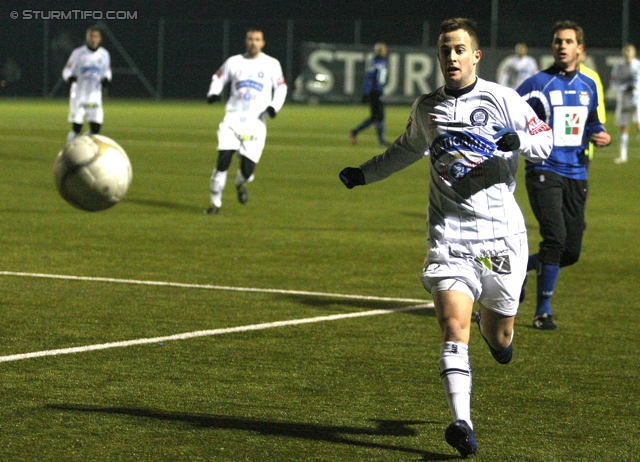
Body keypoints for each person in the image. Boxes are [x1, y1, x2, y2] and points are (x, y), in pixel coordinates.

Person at [339, 18, 552, 458]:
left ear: (475, 56)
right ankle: (462, 422)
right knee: (452, 326)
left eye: (459, 50)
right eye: (444, 51)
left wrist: (518, 142)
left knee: (500, 335)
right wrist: (365, 173)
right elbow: (404, 150)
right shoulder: (427, 108)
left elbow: (544, 140)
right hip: (449, 235)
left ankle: (497, 336)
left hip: (502, 238)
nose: (451, 58)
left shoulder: (503, 99)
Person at [517, 20, 611, 330]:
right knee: (554, 239)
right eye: (558, 40)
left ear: (579, 49)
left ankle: (518, 270)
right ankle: (542, 312)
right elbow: (507, 110)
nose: (561, 45)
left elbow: (593, 122)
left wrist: (601, 134)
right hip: (544, 170)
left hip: (577, 172)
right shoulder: (537, 83)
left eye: (568, 41)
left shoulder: (587, 86)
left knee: (570, 252)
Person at [204, 28, 287, 215]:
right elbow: (218, 77)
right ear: (245, 41)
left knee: (247, 170)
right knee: (223, 160)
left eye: (257, 39)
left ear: (262, 43)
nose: (253, 43)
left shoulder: (272, 64)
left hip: (256, 123)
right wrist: (213, 93)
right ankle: (214, 204)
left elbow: (281, 88)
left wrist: (274, 107)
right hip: (232, 119)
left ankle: (240, 184)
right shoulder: (234, 62)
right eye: (250, 39)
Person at [62, 26, 112, 143]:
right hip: (79, 96)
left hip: (95, 96)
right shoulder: (78, 53)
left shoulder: (104, 54)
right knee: (76, 128)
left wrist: (107, 79)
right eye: (91, 36)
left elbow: (107, 71)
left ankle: (81, 146)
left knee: (95, 129)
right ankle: (68, 152)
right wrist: (69, 78)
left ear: (100, 39)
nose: (93, 39)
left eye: (95, 36)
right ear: (87, 38)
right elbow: (66, 71)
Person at [348, 42, 389, 146]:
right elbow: (369, 78)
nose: (384, 51)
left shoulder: (381, 61)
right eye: (383, 50)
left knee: (376, 117)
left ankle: (355, 132)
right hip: (374, 92)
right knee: (378, 116)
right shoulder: (375, 62)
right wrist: (367, 92)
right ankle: (380, 140)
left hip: (377, 91)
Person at [610, 44, 640, 164]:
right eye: (625, 52)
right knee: (623, 127)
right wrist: (623, 87)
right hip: (623, 100)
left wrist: (635, 87)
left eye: (629, 52)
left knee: (638, 126)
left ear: (634, 53)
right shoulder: (618, 67)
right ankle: (623, 155)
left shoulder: (638, 65)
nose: (627, 54)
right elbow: (613, 83)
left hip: (637, 99)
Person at [578, 48, 607, 166]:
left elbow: (598, 100)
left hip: (585, 125)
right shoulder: (554, 76)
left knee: (583, 160)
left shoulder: (591, 76)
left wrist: (600, 124)